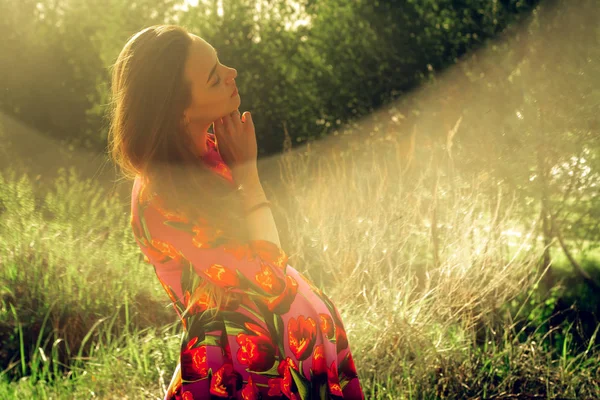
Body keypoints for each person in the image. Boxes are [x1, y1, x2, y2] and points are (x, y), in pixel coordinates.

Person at [108, 24, 365, 399]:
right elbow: (269, 281)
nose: (232, 74)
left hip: (284, 356)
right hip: (239, 376)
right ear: (178, 112)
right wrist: (249, 178)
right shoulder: (162, 198)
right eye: (215, 78)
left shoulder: (211, 153)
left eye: (220, 63)